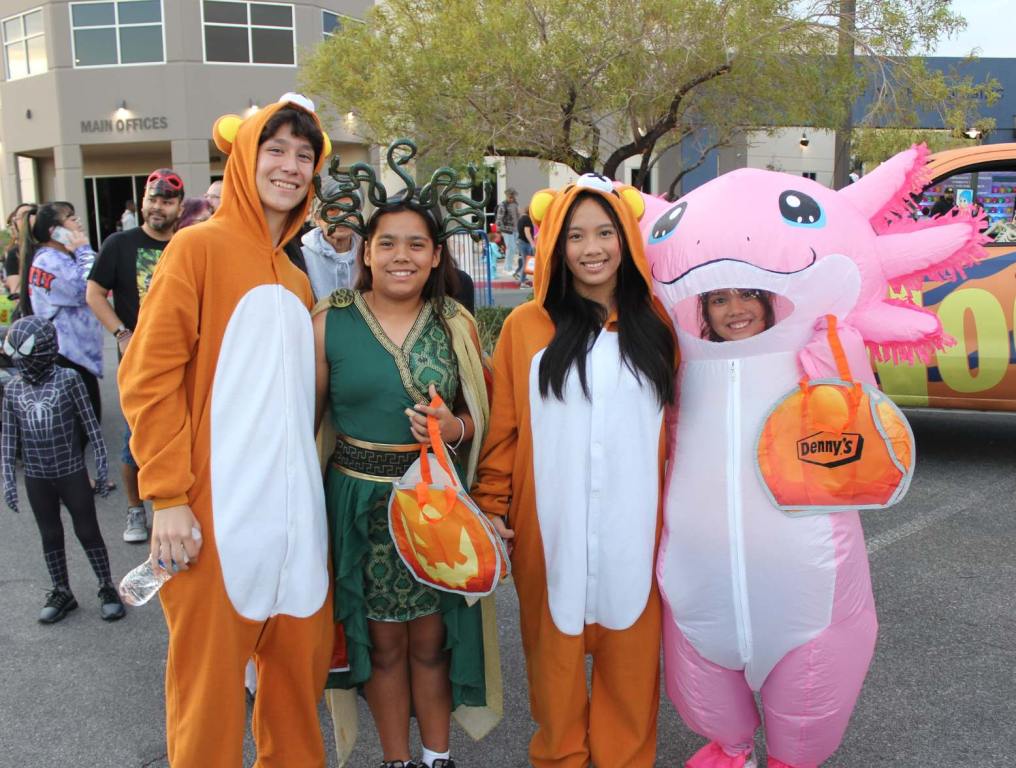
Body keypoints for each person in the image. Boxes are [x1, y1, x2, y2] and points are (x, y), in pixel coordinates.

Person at [118, 94, 333, 767]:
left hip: (297, 531)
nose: (291, 167)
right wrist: (169, 497)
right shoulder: (196, 249)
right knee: (208, 702)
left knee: (297, 697)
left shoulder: (299, 281)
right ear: (245, 156)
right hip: (213, 521)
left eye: (305, 155)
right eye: (276, 150)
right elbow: (147, 378)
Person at [472, 175, 678, 768]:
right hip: (549, 532)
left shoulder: (657, 326)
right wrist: (492, 507)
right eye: (576, 235)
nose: (592, 248)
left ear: (627, 239)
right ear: (556, 246)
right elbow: (504, 431)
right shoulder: (526, 328)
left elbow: (679, 427)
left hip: (635, 533)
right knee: (555, 679)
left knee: (632, 679)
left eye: (606, 232)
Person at [314, 191, 495, 768]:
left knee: (432, 643)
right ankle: (396, 761)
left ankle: (436, 758)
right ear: (366, 252)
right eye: (387, 242)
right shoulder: (330, 321)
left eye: (416, 244)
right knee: (383, 646)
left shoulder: (456, 323)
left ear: (437, 255)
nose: (401, 256)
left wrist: (454, 428)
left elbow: (487, 416)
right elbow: (302, 423)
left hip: (435, 503)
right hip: (358, 506)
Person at [2, 316, 124, 623]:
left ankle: (106, 587)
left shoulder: (68, 379)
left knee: (88, 530)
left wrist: (101, 465)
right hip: (36, 475)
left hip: (70, 470)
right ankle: (61, 590)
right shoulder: (14, 389)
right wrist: (7, 478)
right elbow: (9, 436)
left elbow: (90, 425)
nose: (23, 361)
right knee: (50, 534)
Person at [87, 168, 184, 544]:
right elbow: (94, 294)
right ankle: (134, 509)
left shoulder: (188, 244)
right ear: (142, 202)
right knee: (135, 442)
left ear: (179, 206)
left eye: (167, 201)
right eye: (153, 199)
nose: (158, 207)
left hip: (183, 360)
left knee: (180, 436)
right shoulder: (119, 244)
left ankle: (178, 503)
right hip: (139, 365)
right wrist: (122, 333)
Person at [24, 202, 105, 429]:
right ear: (55, 231)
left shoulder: (58, 258)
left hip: (75, 356)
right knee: (81, 429)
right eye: (71, 217)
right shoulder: (49, 261)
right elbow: (86, 289)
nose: (78, 221)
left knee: (85, 427)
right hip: (67, 356)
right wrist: (82, 250)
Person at [300, 179, 361, 299]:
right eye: (332, 210)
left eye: (350, 210)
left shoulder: (369, 255)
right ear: (316, 217)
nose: (342, 216)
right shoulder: (300, 258)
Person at [699, 288, 775, 342]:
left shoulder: (786, 359)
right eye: (720, 300)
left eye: (747, 295)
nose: (736, 311)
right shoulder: (697, 363)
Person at [4, 203, 34, 297]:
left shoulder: (52, 246)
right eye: (21, 217)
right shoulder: (15, 252)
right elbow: (16, 291)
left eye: (30, 214)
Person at [495, 188, 520, 273]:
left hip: (515, 229)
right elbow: (499, 218)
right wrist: (498, 230)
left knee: (513, 249)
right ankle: (507, 268)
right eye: (510, 197)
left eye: (513, 196)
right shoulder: (503, 205)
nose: (511, 198)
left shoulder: (516, 204)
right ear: (507, 196)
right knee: (510, 248)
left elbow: (517, 216)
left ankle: (509, 266)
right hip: (506, 229)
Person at [514, 204, 535, 282]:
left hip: (521, 242)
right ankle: (522, 281)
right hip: (525, 243)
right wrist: (532, 243)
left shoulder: (522, 218)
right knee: (526, 262)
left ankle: (520, 275)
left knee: (525, 261)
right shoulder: (527, 219)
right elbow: (527, 233)